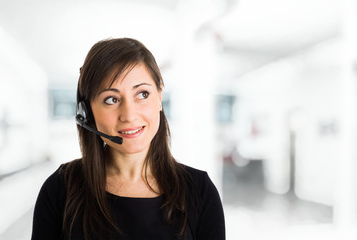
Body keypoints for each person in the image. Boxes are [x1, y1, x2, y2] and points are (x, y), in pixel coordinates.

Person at [32, 38, 225, 240]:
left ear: (159, 96)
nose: (129, 115)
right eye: (111, 99)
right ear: (87, 112)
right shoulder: (61, 189)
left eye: (142, 94)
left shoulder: (199, 191)